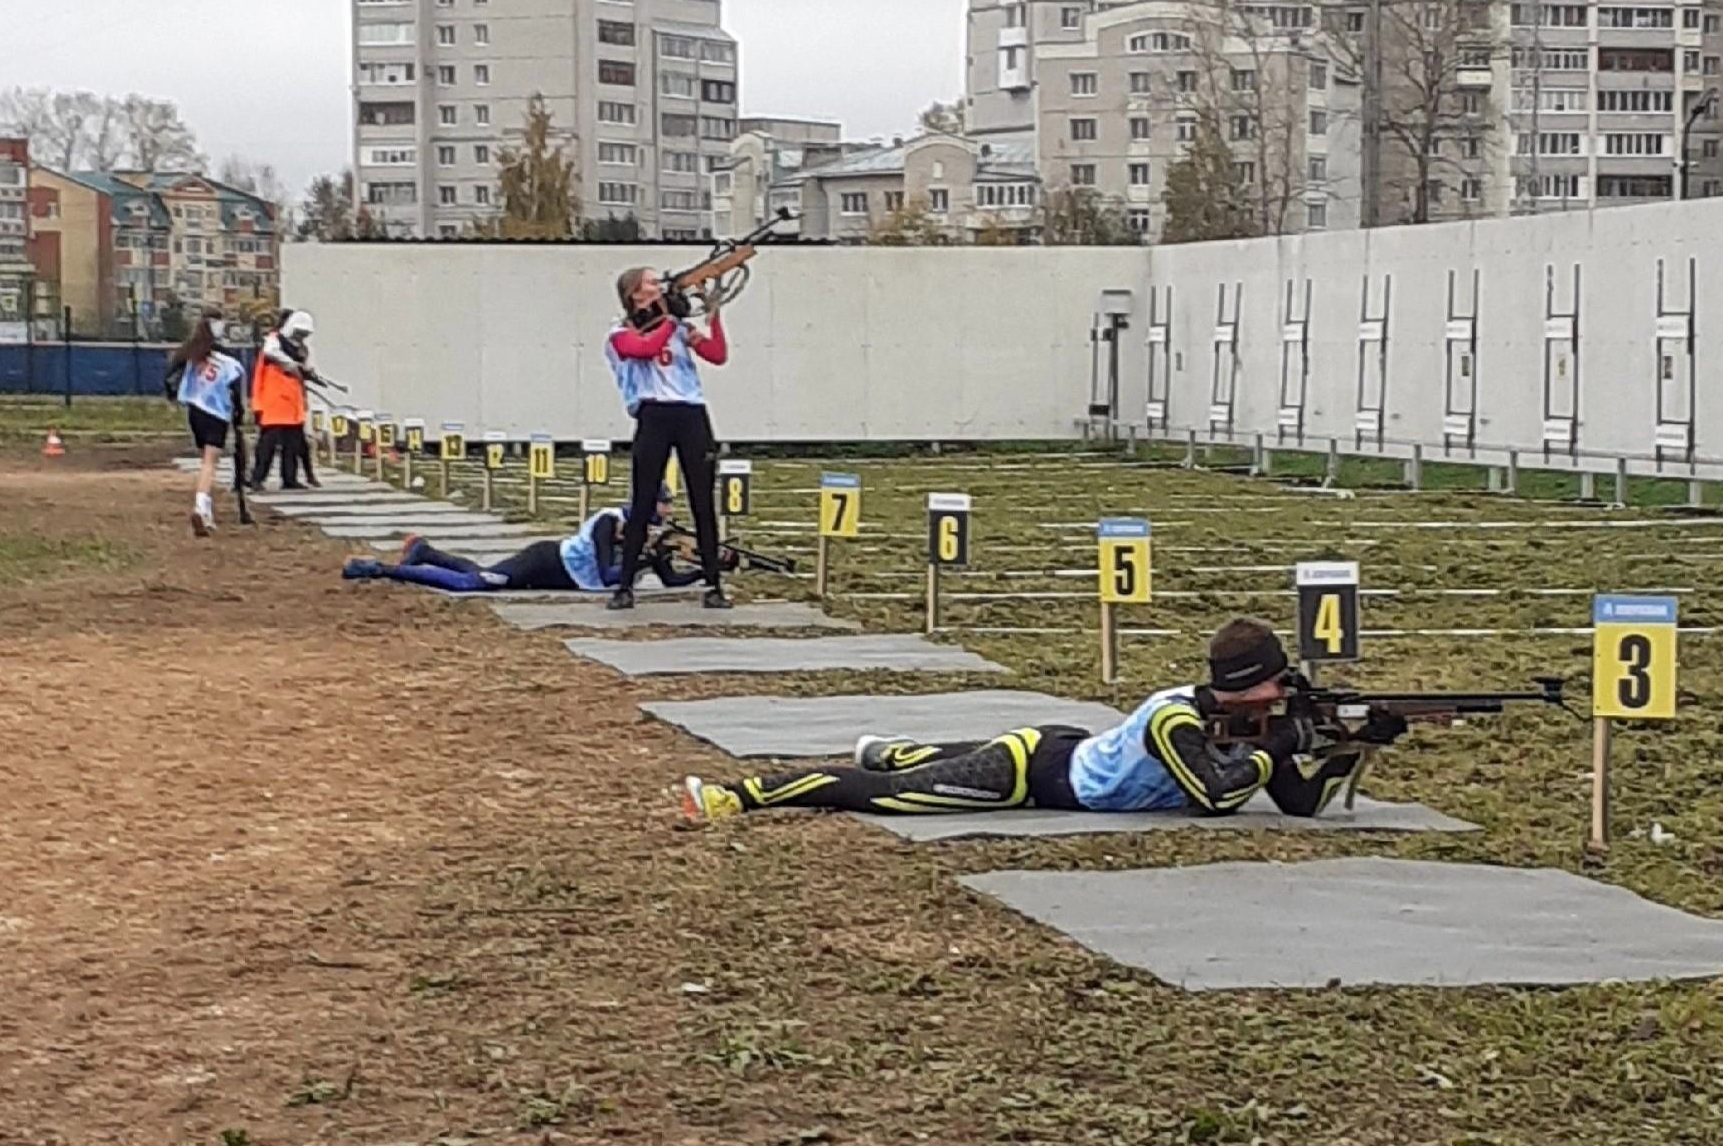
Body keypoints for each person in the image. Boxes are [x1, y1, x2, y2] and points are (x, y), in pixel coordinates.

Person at [677, 618, 1402, 822]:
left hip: (1064, 753)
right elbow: (1214, 795)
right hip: (1033, 772)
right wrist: (1285, 741)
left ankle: (896, 749)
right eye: (1276, 686)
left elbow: (1299, 803)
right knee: (877, 793)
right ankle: (739, 794)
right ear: (1249, 688)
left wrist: (1348, 745)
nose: (1283, 696)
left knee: (918, 765)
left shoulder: (1238, 725)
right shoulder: (1172, 721)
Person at [604, 266, 728, 612]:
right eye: (651, 282)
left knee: (702, 499)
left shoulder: (677, 327)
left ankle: (714, 583)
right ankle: (625, 585)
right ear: (634, 293)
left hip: (691, 414)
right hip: (653, 414)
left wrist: (713, 315)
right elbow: (643, 348)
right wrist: (671, 320)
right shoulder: (619, 332)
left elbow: (717, 355)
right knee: (643, 499)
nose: (659, 287)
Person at [341, 490, 719, 594]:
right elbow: (606, 576)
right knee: (476, 584)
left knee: (486, 574)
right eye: (663, 504)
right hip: (548, 561)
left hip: (556, 578)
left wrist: (707, 572)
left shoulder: (654, 537)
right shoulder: (610, 522)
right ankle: (382, 569)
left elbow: (670, 581)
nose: (668, 512)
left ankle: (426, 552)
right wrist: (648, 558)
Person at [163, 314, 244, 536]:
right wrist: (239, 415)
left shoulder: (191, 352)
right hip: (216, 413)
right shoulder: (226, 358)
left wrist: (173, 396)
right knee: (210, 463)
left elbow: (171, 374)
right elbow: (236, 388)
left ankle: (206, 509)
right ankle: (201, 506)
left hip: (195, 411)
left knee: (205, 462)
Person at [249, 309, 334, 491]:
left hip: (292, 402)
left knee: (293, 443)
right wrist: (292, 365)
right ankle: (257, 477)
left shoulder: (300, 349)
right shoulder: (273, 343)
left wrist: (308, 372)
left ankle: (289, 478)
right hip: (274, 402)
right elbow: (271, 357)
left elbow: (306, 367)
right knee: (268, 444)